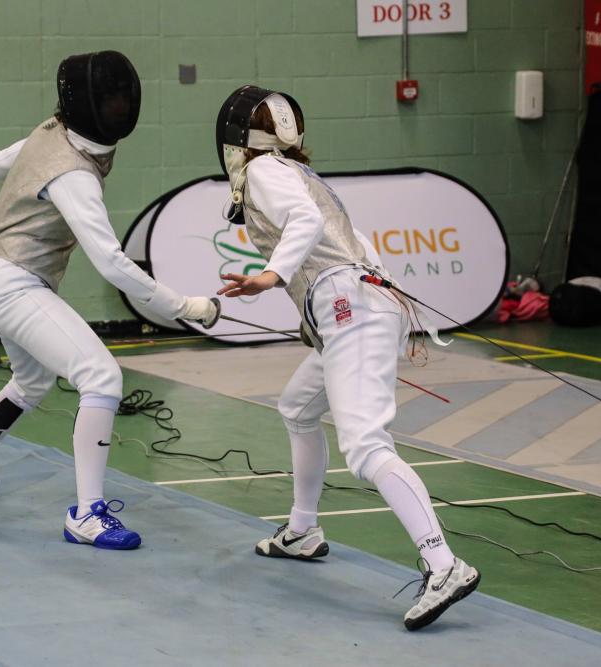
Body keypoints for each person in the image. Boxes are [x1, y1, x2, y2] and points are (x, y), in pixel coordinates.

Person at [214, 85, 480, 630]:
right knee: (297, 408)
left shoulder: (266, 172)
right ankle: (303, 530)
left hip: (347, 308)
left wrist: (271, 275)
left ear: (237, 138)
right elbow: (355, 241)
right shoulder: (298, 173)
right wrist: (394, 306)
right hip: (357, 303)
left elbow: (307, 226)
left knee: (364, 445)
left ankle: (442, 562)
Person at [0, 51, 218, 551]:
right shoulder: (75, 175)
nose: (118, 107)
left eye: (121, 98)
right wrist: (187, 307)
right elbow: (111, 264)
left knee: (32, 380)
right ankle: (86, 515)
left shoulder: (52, 130)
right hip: (13, 282)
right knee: (101, 376)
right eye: (110, 99)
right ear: (92, 105)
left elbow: (3, 161)